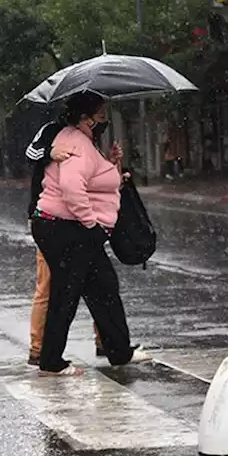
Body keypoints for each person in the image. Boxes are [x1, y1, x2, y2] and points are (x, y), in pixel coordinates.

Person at [31, 91, 150, 376]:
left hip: (71, 228)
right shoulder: (75, 142)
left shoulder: (86, 141)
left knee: (103, 287)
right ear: (85, 118)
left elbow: (95, 181)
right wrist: (91, 225)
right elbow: (72, 188)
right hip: (65, 228)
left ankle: (120, 351)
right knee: (65, 293)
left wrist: (111, 164)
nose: (104, 120)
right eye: (100, 115)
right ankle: (50, 361)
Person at [25, 112, 103, 367]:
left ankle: (106, 339)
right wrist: (50, 151)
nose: (98, 120)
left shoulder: (90, 135)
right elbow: (31, 153)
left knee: (97, 283)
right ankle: (38, 349)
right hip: (53, 221)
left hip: (84, 220)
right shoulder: (51, 130)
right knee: (49, 284)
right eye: (94, 114)